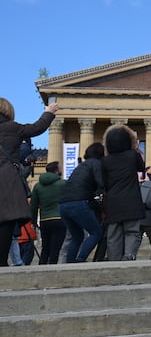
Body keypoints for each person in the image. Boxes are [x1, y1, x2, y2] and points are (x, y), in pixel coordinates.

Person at [0, 97, 58, 266]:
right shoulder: (12, 128)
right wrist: (49, 112)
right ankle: (2, 263)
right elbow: (37, 128)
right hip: (7, 181)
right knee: (6, 221)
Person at [102, 124, 145, 261]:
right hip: (131, 200)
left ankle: (114, 260)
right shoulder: (132, 155)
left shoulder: (105, 161)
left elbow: (103, 182)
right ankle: (129, 256)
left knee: (113, 234)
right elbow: (141, 166)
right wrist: (135, 147)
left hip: (113, 202)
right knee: (132, 231)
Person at [59, 142, 106, 263]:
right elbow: (101, 183)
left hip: (63, 204)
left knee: (77, 236)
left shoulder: (80, 166)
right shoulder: (96, 163)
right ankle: (81, 259)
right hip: (78, 202)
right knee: (96, 232)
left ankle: (69, 263)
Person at [30, 161, 66, 264]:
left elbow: (33, 206)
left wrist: (33, 221)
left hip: (44, 220)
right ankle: (52, 271)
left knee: (45, 249)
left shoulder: (37, 186)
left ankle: (41, 268)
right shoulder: (63, 184)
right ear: (56, 170)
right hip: (59, 219)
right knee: (55, 250)